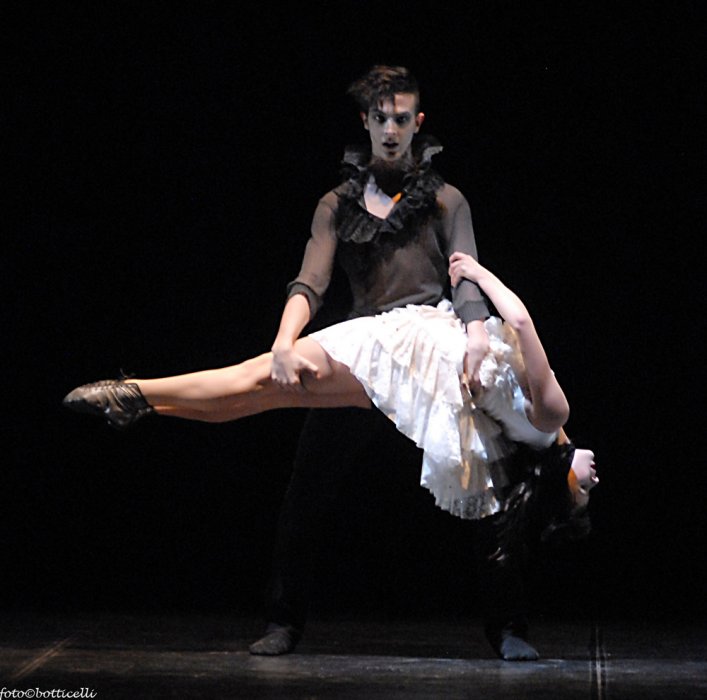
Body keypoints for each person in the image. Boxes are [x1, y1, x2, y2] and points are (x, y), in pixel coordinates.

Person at [63, 66, 596, 660]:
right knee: (304, 485)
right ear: (364, 121)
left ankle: (509, 628)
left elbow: (466, 276)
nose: (390, 130)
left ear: (417, 123)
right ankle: (280, 616)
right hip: (364, 351)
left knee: (487, 487)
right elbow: (310, 281)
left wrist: (475, 334)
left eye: (401, 119)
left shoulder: (446, 200)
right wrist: (285, 340)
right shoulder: (337, 204)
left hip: (429, 355)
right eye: (380, 118)